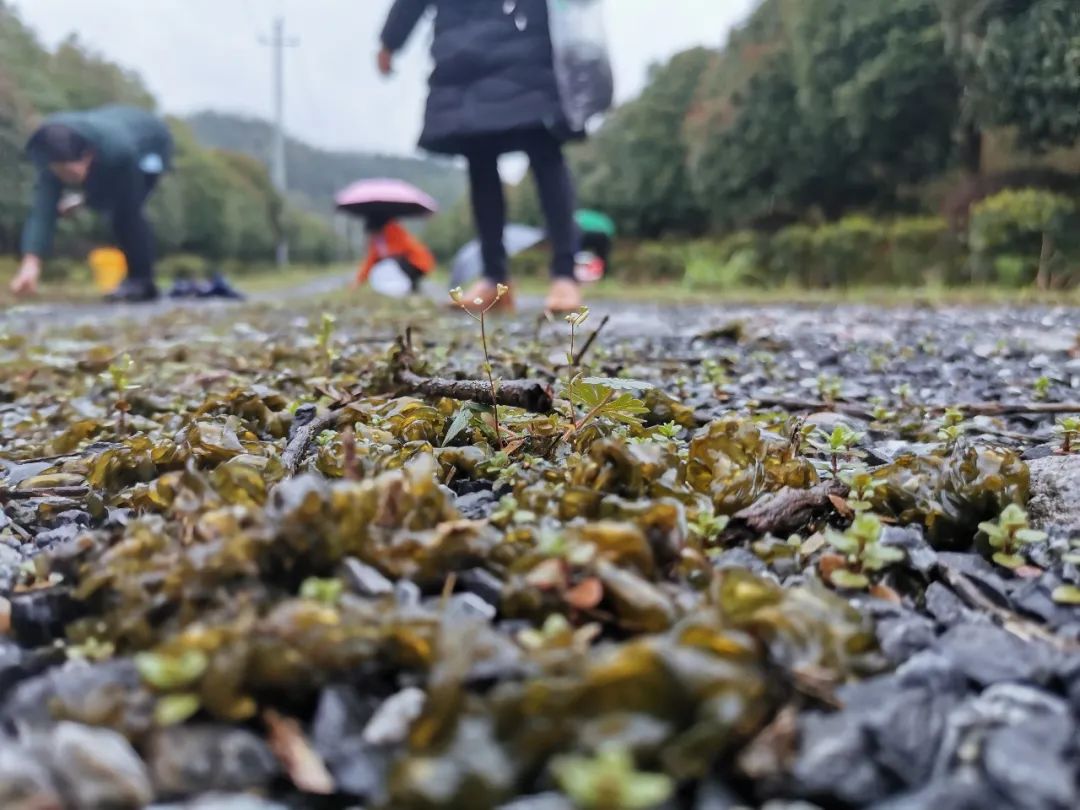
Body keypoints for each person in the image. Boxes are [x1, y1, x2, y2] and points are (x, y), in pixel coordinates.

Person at [379, 0, 593, 313]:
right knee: (479, 158)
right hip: (463, 48)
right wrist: (391, 40)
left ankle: (565, 274)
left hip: (526, 32)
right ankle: (494, 278)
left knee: (544, 150)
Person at [10, 105, 173, 303]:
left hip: (151, 143)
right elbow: (42, 210)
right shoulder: (50, 150)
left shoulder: (117, 151)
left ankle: (142, 281)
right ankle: (137, 280)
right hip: (111, 132)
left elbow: (118, 194)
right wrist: (31, 264)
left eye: (70, 173)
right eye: (59, 172)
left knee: (126, 213)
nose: (64, 178)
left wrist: (85, 200)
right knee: (110, 205)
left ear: (87, 157)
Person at [354, 215, 435, 294]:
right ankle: (412, 290)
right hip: (408, 264)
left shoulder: (394, 231)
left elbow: (400, 250)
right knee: (386, 264)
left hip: (417, 263)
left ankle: (410, 289)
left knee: (389, 263)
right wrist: (358, 281)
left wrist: (383, 257)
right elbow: (370, 262)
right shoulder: (377, 242)